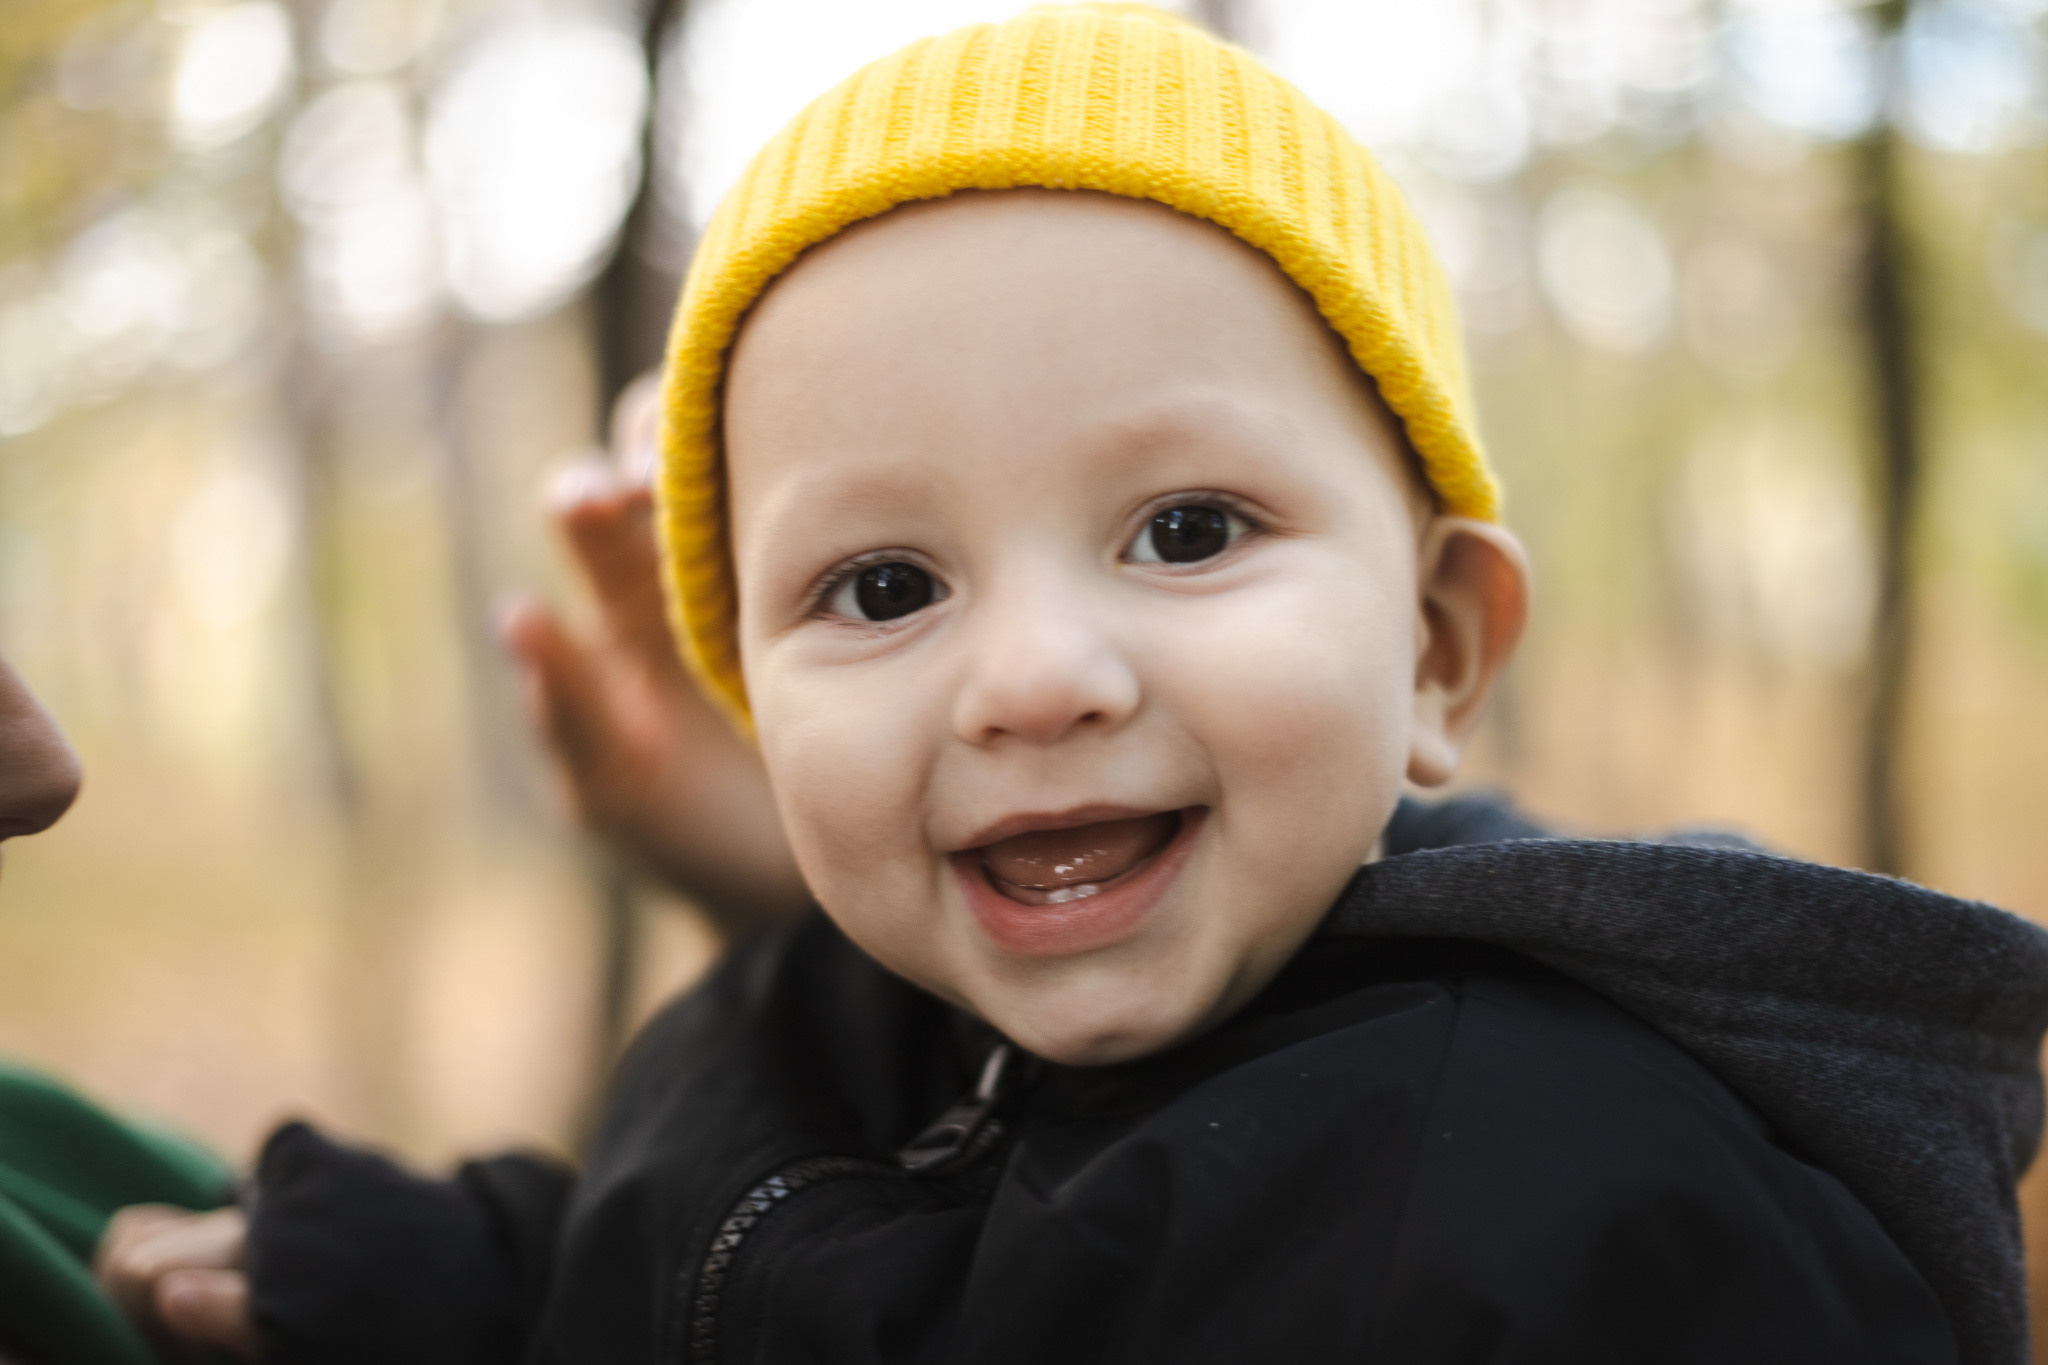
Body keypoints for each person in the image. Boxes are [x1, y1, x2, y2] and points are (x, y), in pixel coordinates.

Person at [91, 6, 2048, 1365]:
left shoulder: (1576, 1205)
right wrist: (460, 1277)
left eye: (1186, 531)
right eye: (882, 582)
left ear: (1438, 648)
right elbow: (737, 1281)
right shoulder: (816, 1031)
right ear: (751, 694)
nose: (1030, 676)